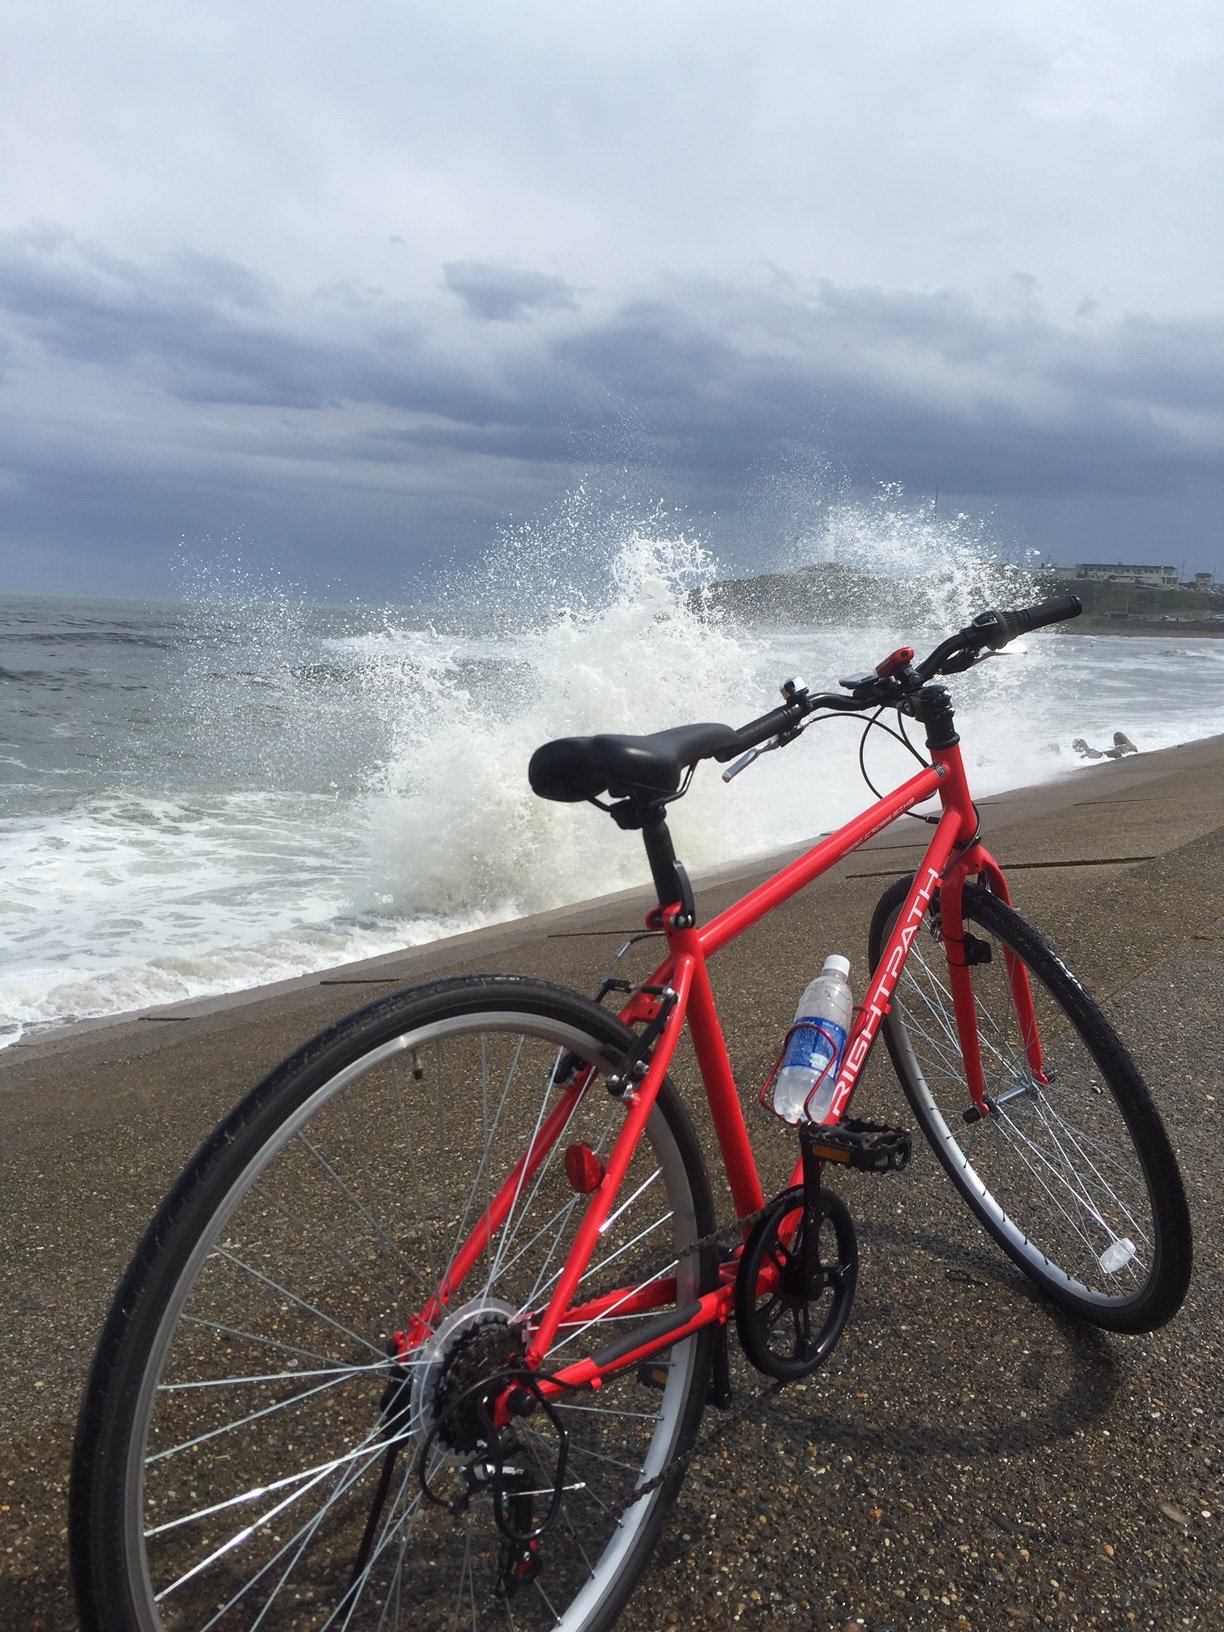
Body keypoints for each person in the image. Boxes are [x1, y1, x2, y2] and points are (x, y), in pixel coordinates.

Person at [1071, 732, 1138, 761]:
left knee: (1118, 735)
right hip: (1117, 752)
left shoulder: (1088, 753)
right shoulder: (1125, 749)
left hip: (1106, 754)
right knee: (1118, 735)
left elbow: (1116, 753)